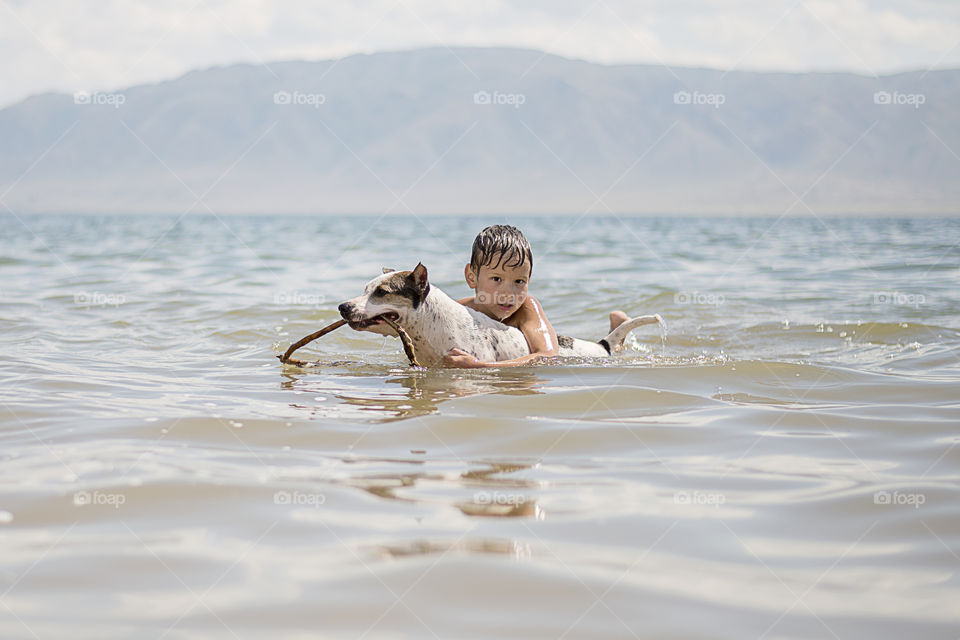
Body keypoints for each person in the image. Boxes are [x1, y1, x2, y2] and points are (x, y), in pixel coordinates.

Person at [443, 225, 628, 368]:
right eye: (497, 279)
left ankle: (618, 333)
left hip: (579, 352)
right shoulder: (462, 311)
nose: (508, 293)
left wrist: (480, 365)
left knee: (609, 351)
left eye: (519, 282)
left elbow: (548, 357)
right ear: (471, 277)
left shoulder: (527, 308)